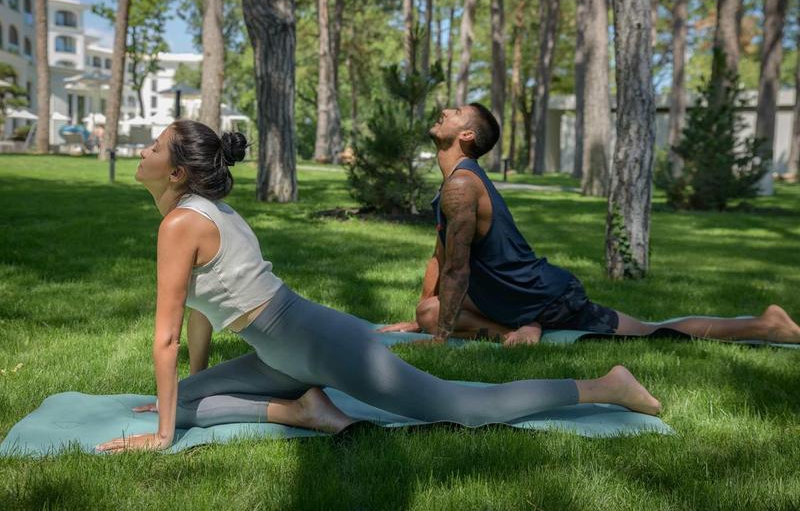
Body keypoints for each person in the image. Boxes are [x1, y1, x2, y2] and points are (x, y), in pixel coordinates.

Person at [97, 119, 661, 453]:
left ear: (175, 173)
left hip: (312, 339)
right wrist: (192, 386)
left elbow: (165, 336)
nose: (142, 151)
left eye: (152, 147)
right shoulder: (197, 212)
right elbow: (197, 314)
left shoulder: (182, 223)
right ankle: (305, 408)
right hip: (280, 347)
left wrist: (164, 437)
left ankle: (604, 385)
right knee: (181, 400)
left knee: (463, 406)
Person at [378, 103, 800, 347]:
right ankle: (519, 328)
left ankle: (767, 326)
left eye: (455, 112)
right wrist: (423, 322)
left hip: (544, 294)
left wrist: (439, 341)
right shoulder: (453, 181)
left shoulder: (462, 187)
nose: (445, 111)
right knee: (430, 310)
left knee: (647, 332)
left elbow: (458, 268)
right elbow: (441, 256)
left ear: (467, 136)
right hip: (510, 298)